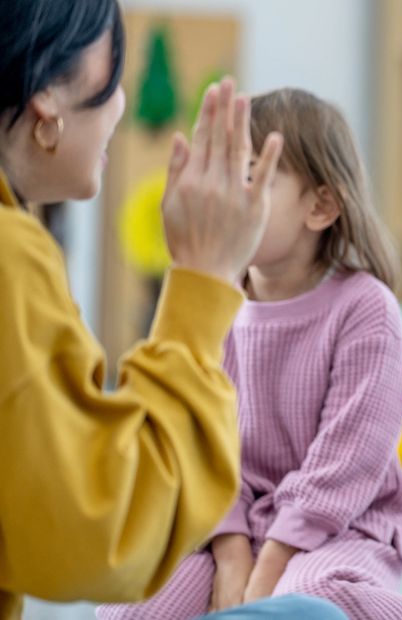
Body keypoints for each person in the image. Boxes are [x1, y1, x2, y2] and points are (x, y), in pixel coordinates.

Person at [0, 1, 344, 618]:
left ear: (323, 207)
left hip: (318, 547)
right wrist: (201, 285)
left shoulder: (360, 308)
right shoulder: (11, 255)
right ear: (46, 97)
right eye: (113, 75)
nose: (123, 105)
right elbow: (104, 535)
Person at [96, 88, 402, 620]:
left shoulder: (365, 310)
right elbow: (199, 447)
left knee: (307, 604)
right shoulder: (218, 302)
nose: (228, 196)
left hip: (344, 530)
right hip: (230, 528)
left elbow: (346, 467)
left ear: (321, 206)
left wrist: (267, 571)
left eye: (251, 176)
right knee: (127, 613)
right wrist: (233, 551)